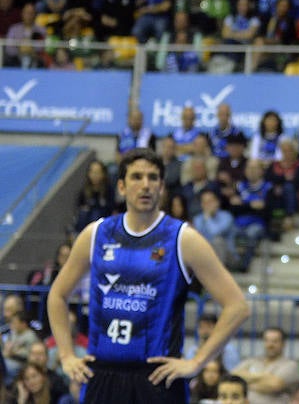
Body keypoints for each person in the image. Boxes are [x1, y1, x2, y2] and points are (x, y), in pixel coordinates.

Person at [44, 148, 249, 404]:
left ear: (162, 187)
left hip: (157, 378)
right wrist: (66, 356)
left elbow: (237, 306)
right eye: (137, 177)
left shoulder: (183, 238)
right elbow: (57, 295)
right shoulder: (96, 234)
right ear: (121, 186)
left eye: (153, 178)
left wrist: (197, 362)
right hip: (103, 374)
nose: (145, 185)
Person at [232, 327, 299, 404]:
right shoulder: (252, 361)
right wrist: (264, 376)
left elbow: (274, 385)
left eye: (275, 341)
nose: (270, 345)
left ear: (283, 344)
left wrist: (245, 383)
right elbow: (234, 376)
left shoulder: (291, 365)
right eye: (267, 340)